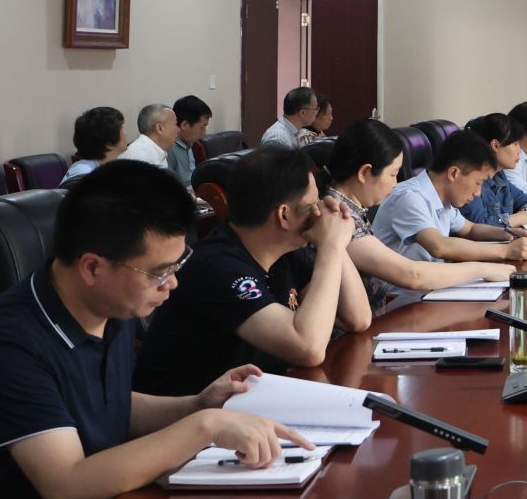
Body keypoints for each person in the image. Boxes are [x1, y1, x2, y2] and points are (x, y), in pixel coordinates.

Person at [0, 162, 307, 499]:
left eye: (177, 265)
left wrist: (196, 405)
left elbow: (105, 405)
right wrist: (203, 426)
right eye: (160, 272)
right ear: (93, 267)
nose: (172, 283)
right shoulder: (8, 344)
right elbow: (68, 491)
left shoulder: (111, 306)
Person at [132, 147, 369, 396]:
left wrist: (335, 243)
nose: (320, 213)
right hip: (189, 413)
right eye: (313, 205)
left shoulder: (284, 253)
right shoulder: (217, 265)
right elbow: (308, 348)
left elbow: (357, 317)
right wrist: (331, 245)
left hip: (252, 401)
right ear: (284, 215)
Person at [323, 120, 526, 300]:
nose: (395, 184)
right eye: (393, 174)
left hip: (407, 302)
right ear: (365, 172)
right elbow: (413, 274)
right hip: (398, 304)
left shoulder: (352, 211)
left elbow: (469, 229)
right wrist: (488, 265)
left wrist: (508, 235)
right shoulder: (339, 217)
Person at [371, 130, 527, 277]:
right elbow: (439, 246)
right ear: (454, 173)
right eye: (478, 183)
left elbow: (470, 229)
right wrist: (505, 251)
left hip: (431, 288)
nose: (478, 193)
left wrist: (509, 234)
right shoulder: (409, 197)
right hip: (400, 299)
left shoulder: (443, 199)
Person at [460, 113, 527, 229]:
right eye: (515, 144)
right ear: (495, 145)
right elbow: (480, 225)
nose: (519, 150)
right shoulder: (471, 181)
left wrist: (526, 213)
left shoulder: (499, 176)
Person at [60, 106, 126, 183]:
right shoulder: (91, 178)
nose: (126, 133)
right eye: (121, 127)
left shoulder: (86, 167)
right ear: (109, 143)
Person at [169, 95, 214, 183]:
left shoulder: (188, 143)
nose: (204, 133)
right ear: (184, 125)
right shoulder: (168, 149)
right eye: (202, 127)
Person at [118, 103, 178, 168]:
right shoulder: (139, 157)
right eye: (175, 124)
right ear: (159, 128)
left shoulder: (157, 152)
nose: (178, 130)